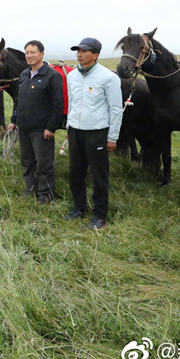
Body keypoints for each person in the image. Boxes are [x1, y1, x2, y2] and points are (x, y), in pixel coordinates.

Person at [64, 38, 123, 230]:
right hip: (75, 131)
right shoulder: (72, 76)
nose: (80, 54)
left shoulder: (108, 78)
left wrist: (112, 137)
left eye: (85, 51)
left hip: (97, 132)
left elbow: (115, 109)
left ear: (95, 55)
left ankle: (100, 215)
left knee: (99, 175)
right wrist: (68, 128)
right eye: (78, 51)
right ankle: (79, 208)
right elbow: (71, 103)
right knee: (75, 173)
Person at [7, 41, 64, 203]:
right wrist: (14, 120)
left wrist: (51, 127)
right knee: (27, 161)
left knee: (44, 163)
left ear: (42, 54)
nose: (29, 56)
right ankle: (30, 189)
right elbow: (18, 100)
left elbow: (57, 105)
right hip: (24, 127)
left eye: (33, 52)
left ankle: (45, 195)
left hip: (42, 129)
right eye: (27, 52)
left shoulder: (52, 76)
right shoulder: (24, 75)